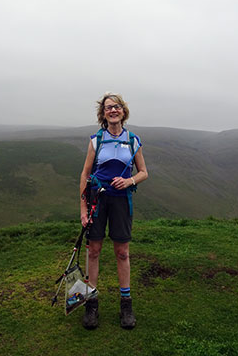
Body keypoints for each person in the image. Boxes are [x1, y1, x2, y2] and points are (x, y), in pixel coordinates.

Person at [79, 92, 148, 330]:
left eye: (116, 107)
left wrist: (129, 182)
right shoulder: (96, 141)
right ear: (103, 113)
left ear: (123, 111)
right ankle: (91, 303)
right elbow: (85, 175)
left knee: (122, 252)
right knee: (94, 250)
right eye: (108, 107)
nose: (113, 110)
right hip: (97, 200)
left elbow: (143, 172)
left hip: (121, 200)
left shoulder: (133, 140)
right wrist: (83, 210)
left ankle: (126, 304)